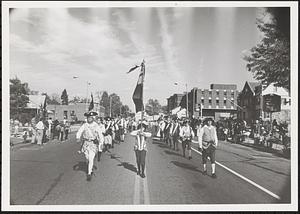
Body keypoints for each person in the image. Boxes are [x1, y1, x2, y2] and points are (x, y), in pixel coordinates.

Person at [76, 111, 104, 181]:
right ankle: (89, 167)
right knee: (87, 158)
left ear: (93, 118)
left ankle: (89, 173)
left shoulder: (96, 125)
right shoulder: (84, 125)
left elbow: (100, 135)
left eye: (90, 118)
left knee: (91, 158)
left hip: (93, 144)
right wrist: (78, 137)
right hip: (85, 143)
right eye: (88, 118)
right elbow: (80, 131)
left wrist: (101, 143)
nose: (89, 119)